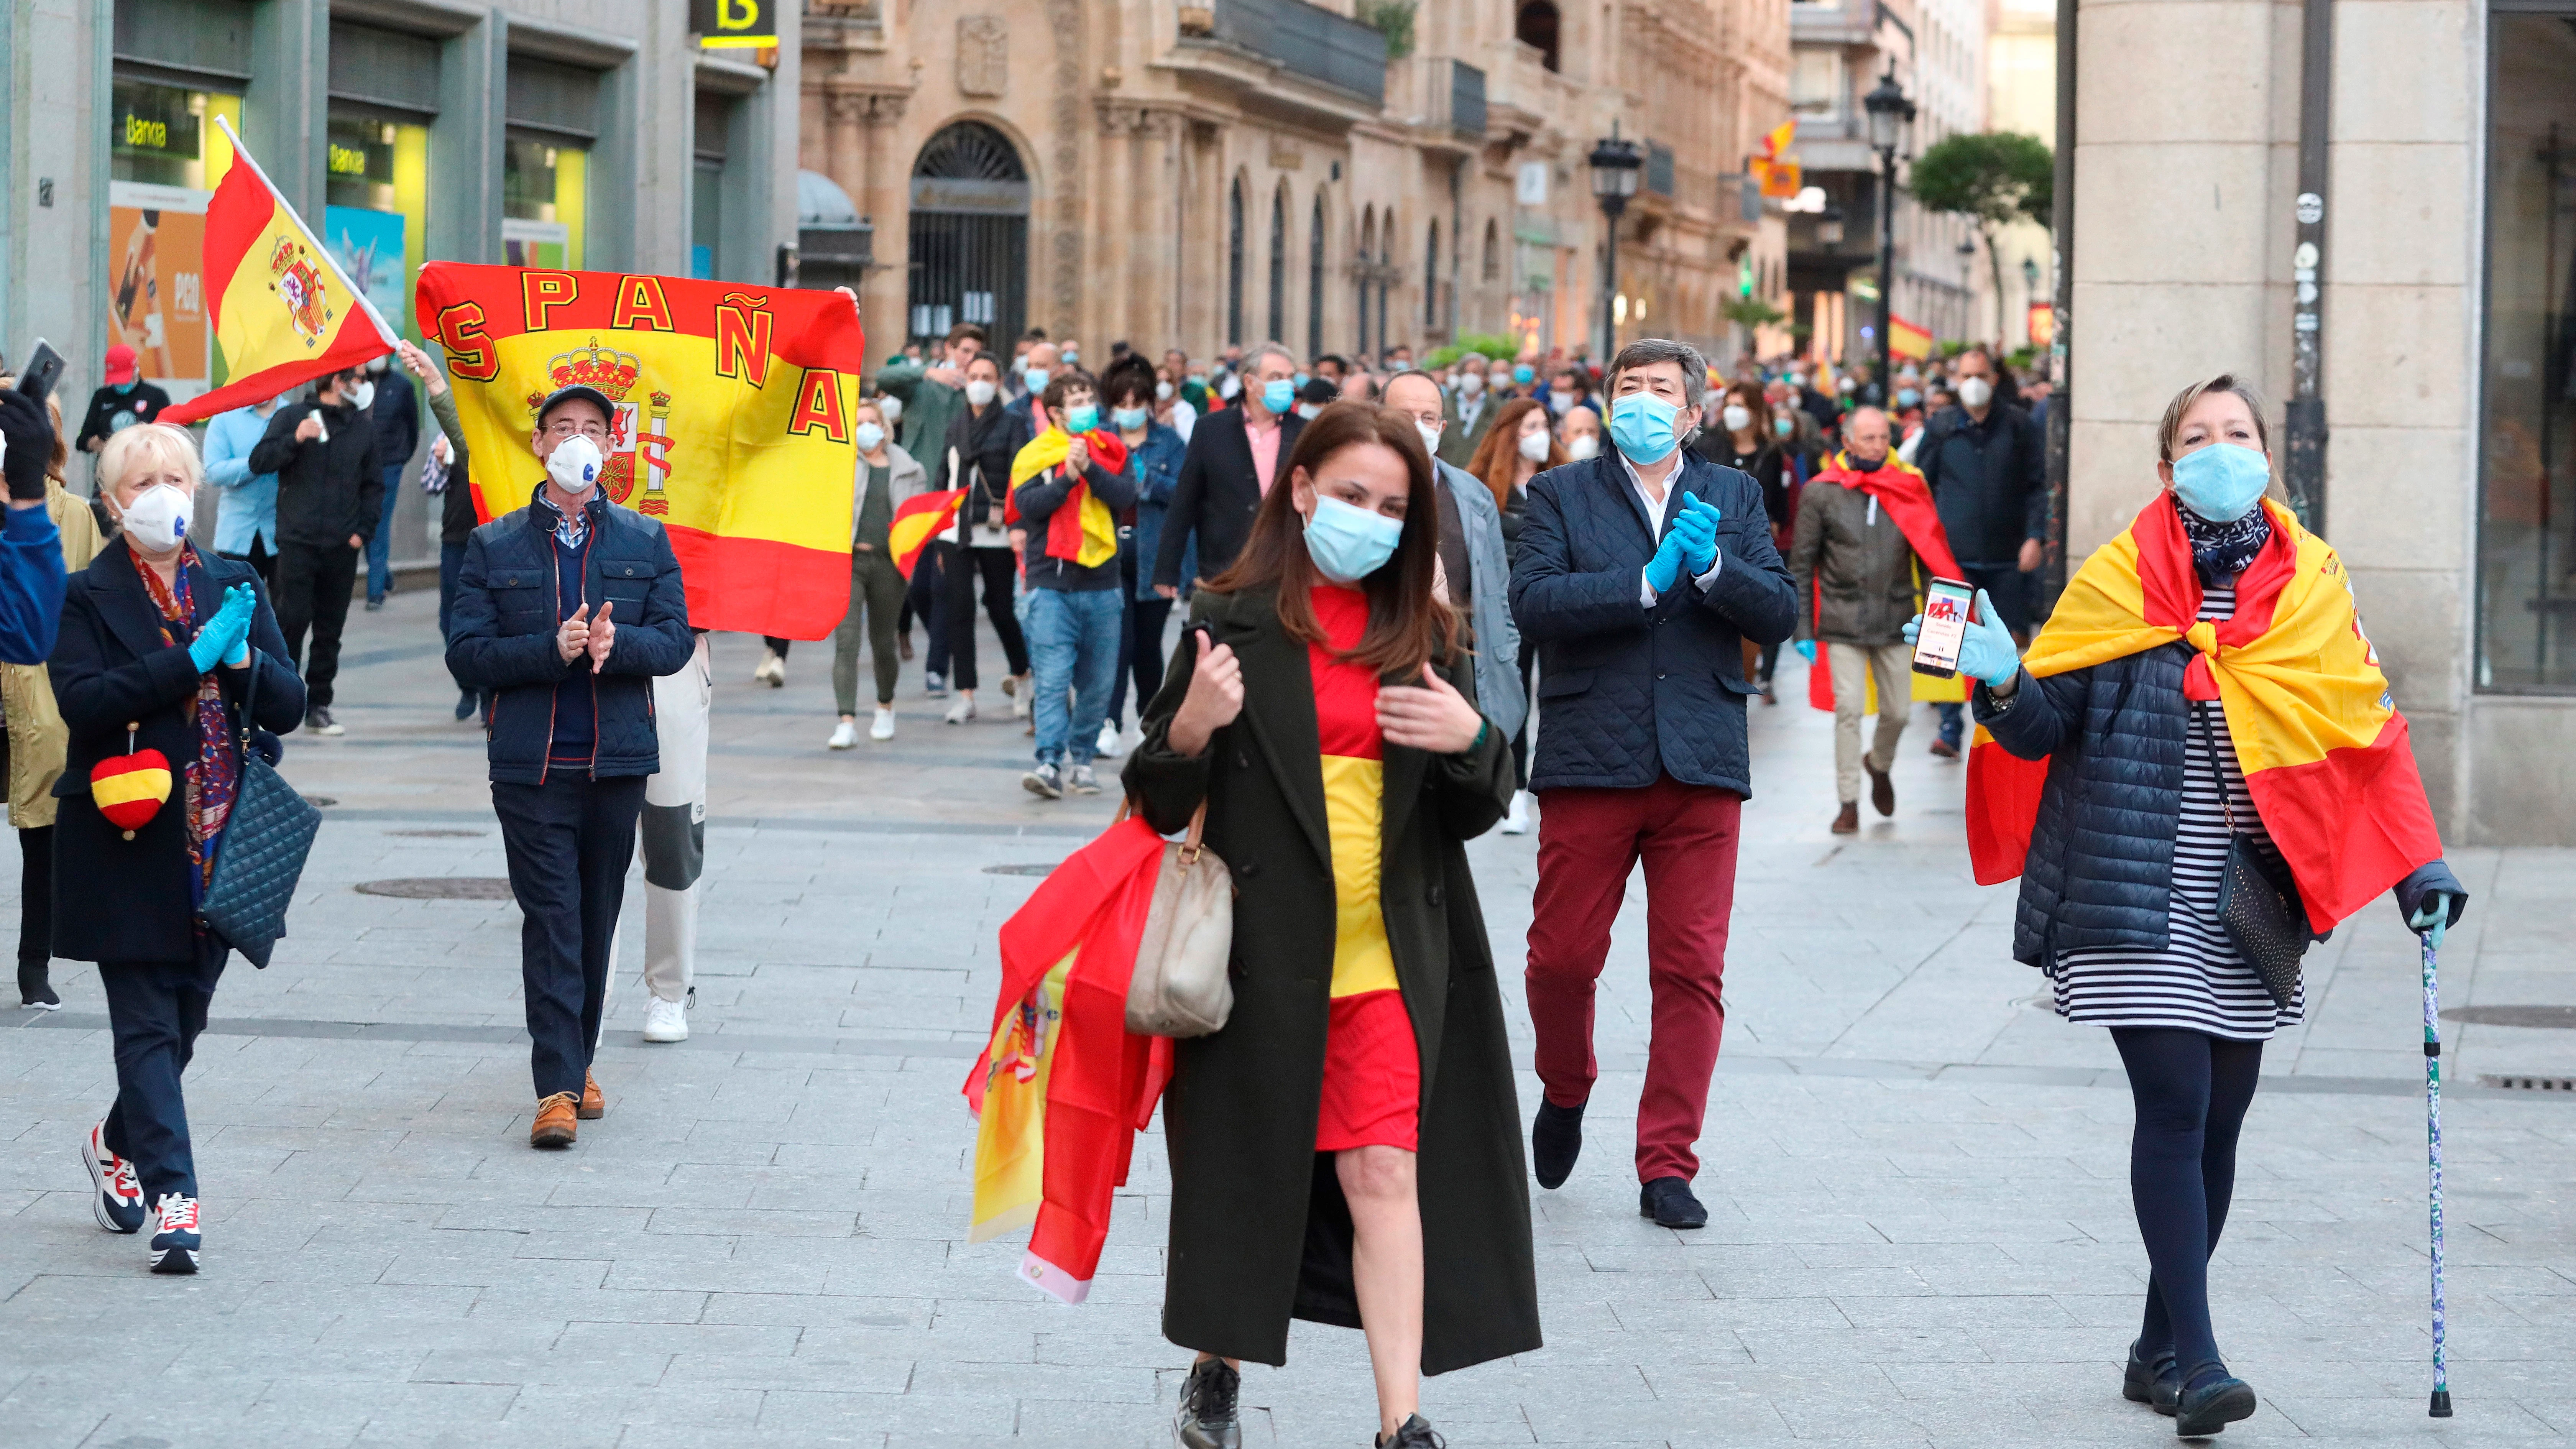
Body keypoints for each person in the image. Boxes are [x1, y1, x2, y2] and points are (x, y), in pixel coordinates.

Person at [1939, 374, 2467, 1437]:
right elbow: (2045, 728)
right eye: (2198, 436)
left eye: (2237, 434)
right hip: (2130, 888)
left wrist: (2421, 867)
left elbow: (2369, 732)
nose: (2220, 450)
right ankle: (2201, 1364)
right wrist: (1999, 681)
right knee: (2175, 1109)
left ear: (2269, 454)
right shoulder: (2119, 577)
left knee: (2220, 1126)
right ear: (2166, 463)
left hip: (2248, 899)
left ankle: (2152, 1345)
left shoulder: (2313, 583)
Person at [1125, 401, 1537, 1449]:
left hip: (1392, 957)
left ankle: (1401, 1419)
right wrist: (1190, 725)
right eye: (1352, 495)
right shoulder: (1231, 617)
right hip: (1259, 961)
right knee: (1251, 1172)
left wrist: (1471, 736)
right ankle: (1217, 1362)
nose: (1371, 519)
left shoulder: (1420, 628)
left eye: (1395, 506)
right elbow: (1157, 796)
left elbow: (1477, 805)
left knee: (1383, 1169)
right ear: (1301, 488)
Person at [1507, 337, 1797, 1229]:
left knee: (1691, 971)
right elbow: (1536, 604)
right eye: (1627, 387)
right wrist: (1641, 583)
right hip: (1592, 752)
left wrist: (1714, 569)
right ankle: (1566, 1087)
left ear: (1692, 413)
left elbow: (1781, 609)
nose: (1641, 401)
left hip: (1702, 760)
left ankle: (1668, 1162)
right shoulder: (1558, 494)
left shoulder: (1734, 495)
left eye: (1659, 390)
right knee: (1561, 959)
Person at [54, 422, 304, 1272]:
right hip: (128, 838)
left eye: (173, 477)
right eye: (139, 482)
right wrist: (186, 661)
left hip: (223, 841)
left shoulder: (233, 580)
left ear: (196, 487)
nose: (160, 493)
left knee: (185, 1020)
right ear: (112, 500)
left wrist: (239, 662)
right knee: (146, 1027)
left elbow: (289, 705)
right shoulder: (87, 595)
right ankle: (178, 1196)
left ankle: (116, 1140)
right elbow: (84, 701)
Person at [446, 383, 693, 1149]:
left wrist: (626, 649)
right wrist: (547, 651)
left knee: (593, 920)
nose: (577, 441)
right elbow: (466, 654)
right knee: (551, 918)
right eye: (563, 428)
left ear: (611, 449)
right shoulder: (494, 546)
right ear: (539, 444)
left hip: (616, 763)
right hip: (531, 766)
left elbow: (676, 638)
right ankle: (556, 1086)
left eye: (591, 429)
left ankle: (577, 1058)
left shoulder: (645, 543)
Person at [1787, 407, 1958, 832]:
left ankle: (1878, 764)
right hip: (1841, 619)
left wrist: (1945, 622)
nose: (1879, 446)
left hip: (1897, 617)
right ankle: (1848, 803)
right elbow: (1802, 564)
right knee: (1847, 710)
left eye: (1885, 438)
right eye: (1869, 439)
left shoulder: (1908, 486)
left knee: (1899, 712)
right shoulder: (1821, 492)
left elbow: (1930, 553)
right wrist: (1803, 629)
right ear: (1847, 442)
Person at [0, 382, 100, 1009]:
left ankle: (33, 965)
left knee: (44, 842)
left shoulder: (74, 514)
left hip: (42, 704)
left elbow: (85, 614)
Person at [1009, 370, 1138, 798]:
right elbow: (1028, 508)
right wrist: (1066, 477)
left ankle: (1082, 759)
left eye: (1089, 397)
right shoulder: (1035, 455)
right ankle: (1049, 762)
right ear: (1056, 413)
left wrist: (1090, 470)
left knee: (1098, 682)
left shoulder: (1112, 449)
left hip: (1102, 584)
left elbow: (1124, 497)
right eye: (1076, 400)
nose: (1087, 406)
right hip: (1052, 584)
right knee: (1051, 678)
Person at [1916, 345, 2046, 757]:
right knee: (1943, 642)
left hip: (2007, 556)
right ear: (1956, 381)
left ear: (1994, 379)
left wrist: (2035, 536)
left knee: (2003, 645)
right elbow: (1921, 487)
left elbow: (2037, 486)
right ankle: (1950, 728)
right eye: (1966, 376)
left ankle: (2004, 729)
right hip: (1953, 557)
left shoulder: (2020, 425)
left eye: (1981, 375)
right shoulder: (1941, 427)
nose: (1973, 384)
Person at [248, 365, 385, 738]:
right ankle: (281, 700)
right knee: (291, 619)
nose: (365, 385)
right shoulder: (293, 416)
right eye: (359, 379)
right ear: (337, 381)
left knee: (330, 628)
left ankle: (319, 705)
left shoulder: (362, 427)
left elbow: (374, 485)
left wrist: (362, 533)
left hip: (342, 545)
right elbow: (259, 461)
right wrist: (295, 438)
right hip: (298, 541)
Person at [1451, 388, 1554, 833]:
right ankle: (1513, 786)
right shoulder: (1483, 486)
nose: (1541, 437)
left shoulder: (1563, 479)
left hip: (1555, 602)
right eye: (1531, 428)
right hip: (1505, 605)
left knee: (1556, 692)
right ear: (1511, 434)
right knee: (1511, 692)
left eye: (1545, 427)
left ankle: (1554, 782)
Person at [929, 352, 1033, 724]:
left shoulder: (1013, 423)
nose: (979, 382)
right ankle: (966, 693)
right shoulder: (956, 425)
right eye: (974, 375)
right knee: (959, 608)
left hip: (997, 529)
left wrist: (1020, 524)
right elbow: (944, 475)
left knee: (1001, 608)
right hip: (957, 529)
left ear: (999, 382)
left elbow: (1022, 475)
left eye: (987, 376)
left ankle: (1022, 676)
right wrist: (940, 531)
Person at [1153, 343, 1304, 597]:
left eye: (1290, 378)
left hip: (1286, 570)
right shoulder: (1211, 430)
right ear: (1250, 382)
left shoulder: (1304, 432)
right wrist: (1166, 571)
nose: (1287, 385)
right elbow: (1184, 503)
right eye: (1276, 378)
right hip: (1224, 567)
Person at [828, 399, 927, 747]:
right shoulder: (840, 465)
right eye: (858, 423)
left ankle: (885, 706)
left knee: (884, 644)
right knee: (847, 642)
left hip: (889, 565)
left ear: (885, 426)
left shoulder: (909, 469)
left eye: (872, 421)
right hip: (850, 563)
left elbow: (917, 520)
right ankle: (846, 720)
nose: (866, 428)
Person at [396, 342, 485, 721]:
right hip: (454, 540)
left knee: (488, 621)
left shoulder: (498, 435)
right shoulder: (449, 439)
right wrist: (441, 459)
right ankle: (468, 684)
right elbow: (430, 485)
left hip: (489, 543)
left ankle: (487, 693)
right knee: (449, 620)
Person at [1102, 365, 1187, 758]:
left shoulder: (1168, 441)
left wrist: (1148, 482)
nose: (1130, 410)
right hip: (1108, 552)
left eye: (1137, 403)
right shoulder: (1101, 440)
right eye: (1123, 403)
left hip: (1154, 555)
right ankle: (1109, 722)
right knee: (1117, 642)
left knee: (1148, 646)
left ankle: (1147, 720)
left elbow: (1187, 493)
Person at [1697, 382, 1794, 702]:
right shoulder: (1710, 446)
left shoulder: (1771, 452)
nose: (1733, 411)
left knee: (1756, 616)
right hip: (1714, 548)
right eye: (1729, 404)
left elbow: (1779, 504)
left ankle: (1759, 677)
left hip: (1757, 548)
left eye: (1740, 405)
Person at [200, 394, 282, 586]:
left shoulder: (292, 415)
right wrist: (255, 463)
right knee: (237, 609)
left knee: (286, 613)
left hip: (283, 532)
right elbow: (213, 472)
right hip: (237, 534)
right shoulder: (225, 417)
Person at [363, 351, 418, 611]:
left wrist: (401, 457)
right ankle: (384, 577)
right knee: (364, 525)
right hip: (360, 467)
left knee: (378, 525)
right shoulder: (358, 384)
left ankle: (376, 593)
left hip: (389, 467)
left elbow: (413, 427)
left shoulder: (402, 387)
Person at [73, 344, 172, 458]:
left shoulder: (156, 397)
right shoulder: (102, 397)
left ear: (136, 370)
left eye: (123, 379)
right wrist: (104, 444)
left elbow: (170, 439)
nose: (120, 384)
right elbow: (82, 441)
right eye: (116, 380)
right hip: (110, 469)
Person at [1432, 351, 1493, 468]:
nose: (1470, 376)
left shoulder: (1498, 408)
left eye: (1475, 372)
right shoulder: (1443, 404)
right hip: (1448, 471)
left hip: (1483, 475)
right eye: (1466, 372)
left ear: (1486, 377)